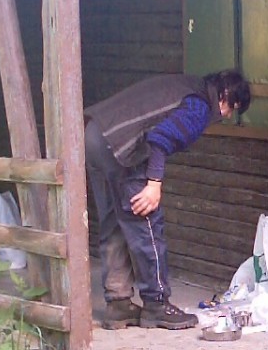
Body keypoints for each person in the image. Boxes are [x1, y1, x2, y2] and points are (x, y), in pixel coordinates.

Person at [84, 69, 251, 329]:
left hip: (94, 136)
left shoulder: (184, 85)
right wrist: (154, 184)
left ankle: (118, 303)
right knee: (147, 225)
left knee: (113, 222)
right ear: (225, 95)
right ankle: (157, 304)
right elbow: (161, 139)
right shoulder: (199, 105)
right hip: (121, 146)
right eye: (232, 108)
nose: (228, 115)